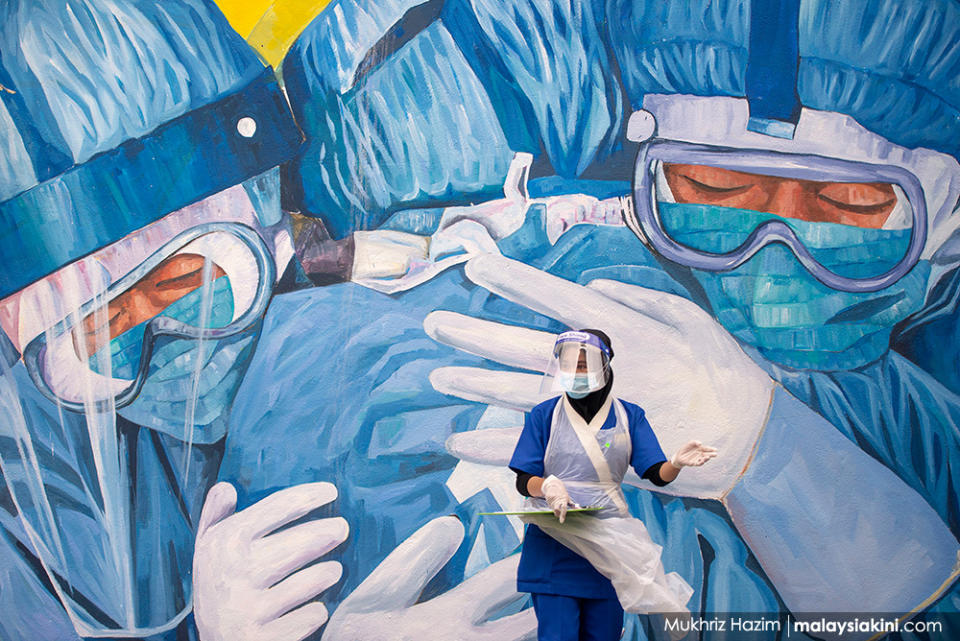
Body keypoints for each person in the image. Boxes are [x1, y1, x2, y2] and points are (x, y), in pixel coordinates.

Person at [261, 0, 960, 638]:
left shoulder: (899, 407)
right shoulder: (321, 372)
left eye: (850, 207)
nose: (770, 256)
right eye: (712, 190)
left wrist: (771, 456)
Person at [0, 1, 349, 639]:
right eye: (98, 339)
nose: (163, 355)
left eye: (186, 282)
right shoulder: (27, 516)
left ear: (265, 208)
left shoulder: (358, 323)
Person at [508, 328, 714, 640]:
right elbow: (524, 480)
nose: (574, 373)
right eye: (567, 366)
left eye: (582, 365)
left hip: (611, 550)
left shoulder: (629, 416)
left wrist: (676, 463)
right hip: (554, 546)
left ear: (604, 365)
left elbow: (656, 473)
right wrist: (548, 487)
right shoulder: (544, 415)